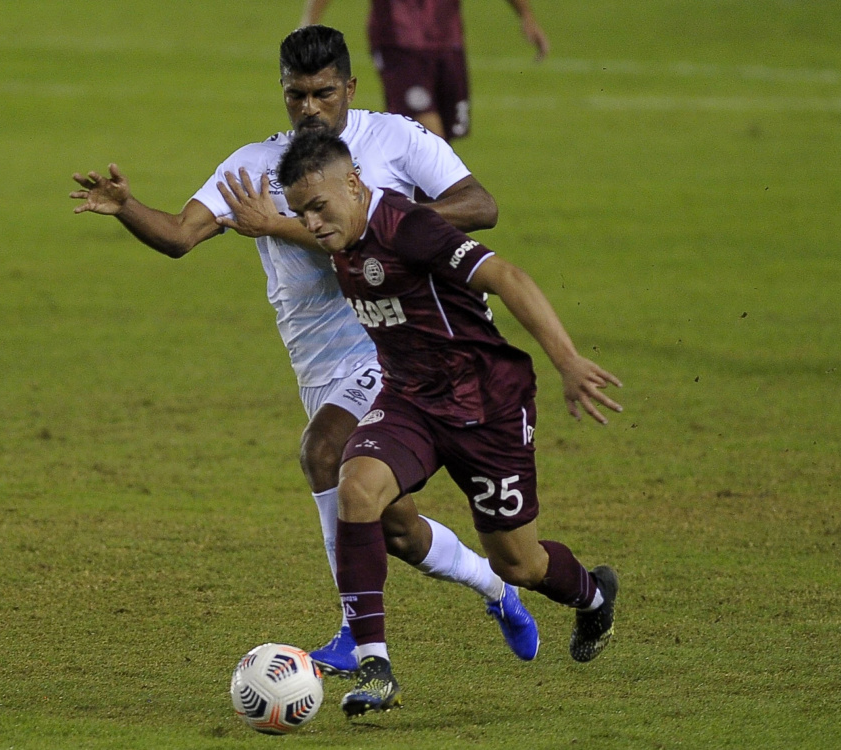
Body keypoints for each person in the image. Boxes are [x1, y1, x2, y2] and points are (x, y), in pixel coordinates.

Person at [70, 25, 538, 676]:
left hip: (393, 347)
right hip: (318, 365)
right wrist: (126, 207)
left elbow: (479, 205)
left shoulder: (393, 139)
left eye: (323, 93)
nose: (310, 108)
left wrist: (378, 221)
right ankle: (497, 587)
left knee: (321, 449)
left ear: (349, 87)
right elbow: (180, 235)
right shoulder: (257, 165)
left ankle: (357, 639)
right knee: (395, 529)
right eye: (296, 95)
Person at [277, 130, 622, 717]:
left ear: (355, 185)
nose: (311, 223)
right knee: (356, 487)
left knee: (519, 562)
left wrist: (567, 361)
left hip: (487, 404)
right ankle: (375, 666)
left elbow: (507, 276)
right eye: (300, 211)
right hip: (410, 399)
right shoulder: (341, 234)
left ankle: (593, 594)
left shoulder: (409, 228)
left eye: (318, 207)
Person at [300, 0, 550, 140]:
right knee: (428, 137)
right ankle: (428, 224)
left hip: (448, 42)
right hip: (399, 41)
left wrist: (526, 16)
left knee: (441, 149)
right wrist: (309, 22)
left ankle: (414, 217)